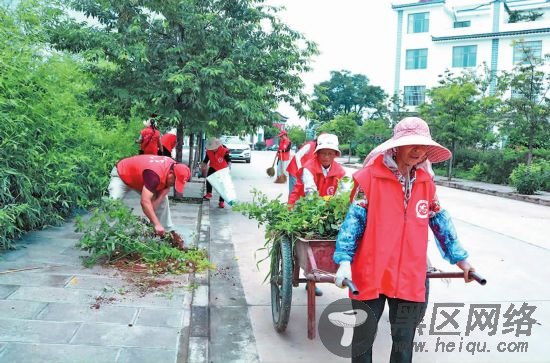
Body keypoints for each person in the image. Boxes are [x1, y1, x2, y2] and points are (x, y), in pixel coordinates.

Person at [332, 117, 476, 363]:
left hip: (409, 275)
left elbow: (439, 221)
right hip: (370, 272)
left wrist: (461, 260)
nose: (418, 150)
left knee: (403, 346)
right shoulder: (370, 179)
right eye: (412, 144)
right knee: (362, 342)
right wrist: (344, 260)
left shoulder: (425, 183)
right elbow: (353, 222)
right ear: (396, 146)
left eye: (423, 146)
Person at [288, 133, 346, 297]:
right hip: (303, 206)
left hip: (326, 209)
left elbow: (342, 195)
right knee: (308, 236)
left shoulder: (340, 171)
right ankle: (309, 271)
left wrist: (337, 211)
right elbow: (310, 193)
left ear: (335, 155)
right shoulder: (309, 168)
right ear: (317, 153)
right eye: (323, 153)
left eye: (330, 153)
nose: (326, 156)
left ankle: (315, 273)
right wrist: (319, 213)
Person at [107, 155, 190, 250]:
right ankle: (110, 237)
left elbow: (153, 206)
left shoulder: (172, 167)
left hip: (141, 179)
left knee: (163, 200)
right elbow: (144, 202)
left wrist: (161, 195)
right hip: (122, 174)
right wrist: (156, 223)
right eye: (174, 182)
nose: (173, 185)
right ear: (171, 173)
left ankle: (167, 233)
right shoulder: (154, 175)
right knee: (112, 203)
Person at [202, 137, 231, 208]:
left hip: (222, 168)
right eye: (211, 148)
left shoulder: (224, 150)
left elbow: (228, 160)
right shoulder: (209, 151)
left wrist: (229, 168)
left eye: (214, 148)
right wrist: (203, 166)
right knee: (209, 178)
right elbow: (206, 160)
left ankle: (221, 202)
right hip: (213, 166)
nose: (213, 149)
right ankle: (209, 193)